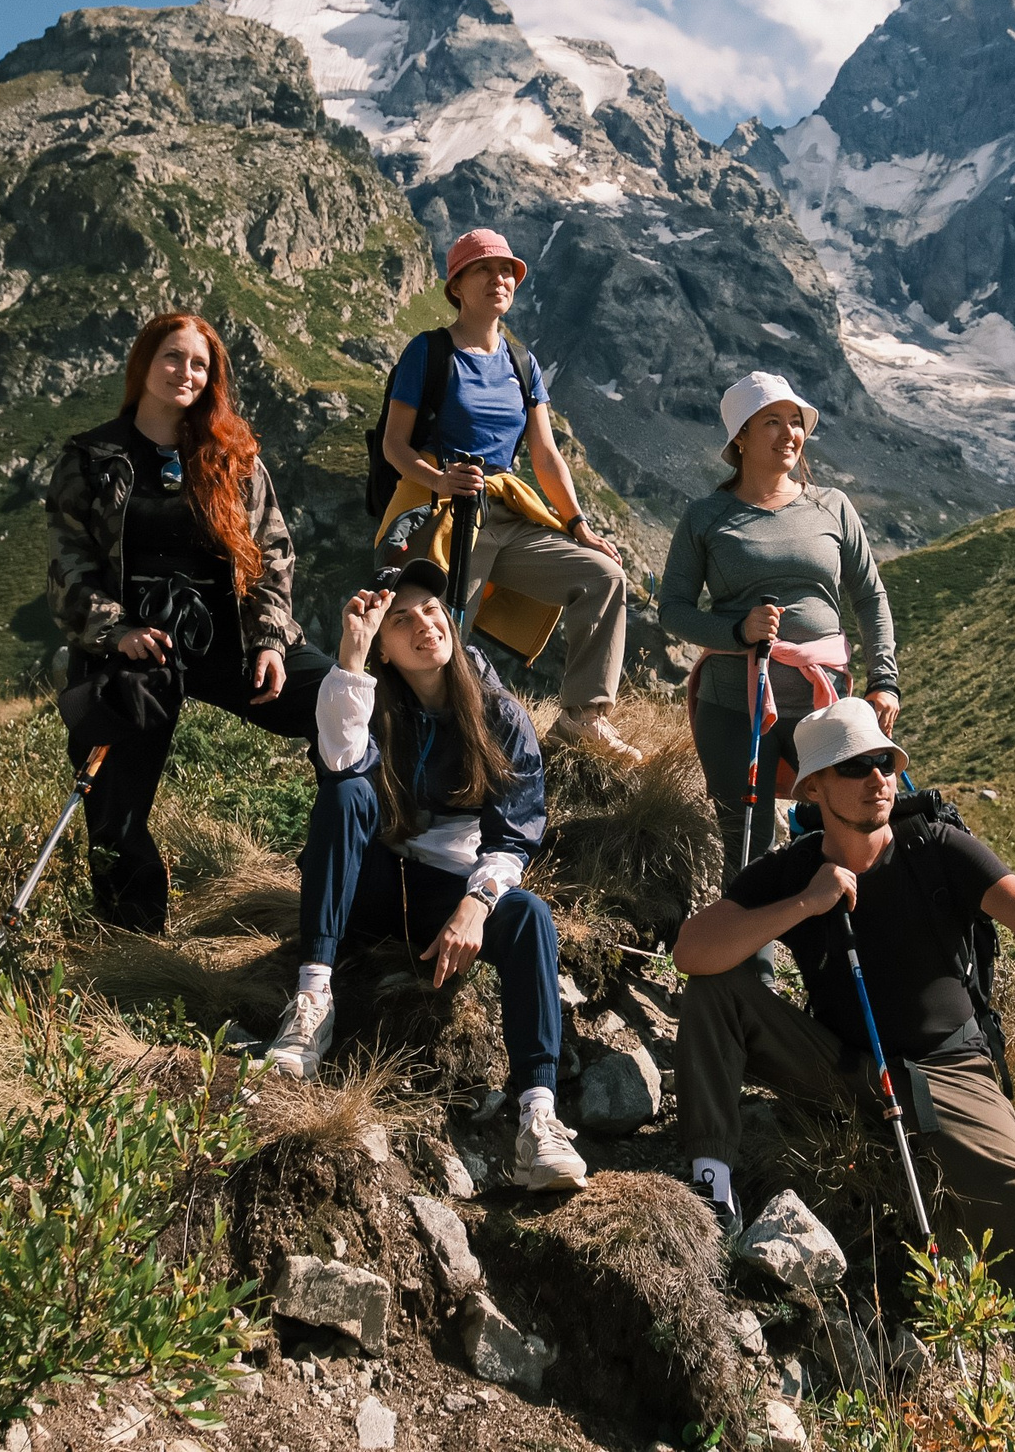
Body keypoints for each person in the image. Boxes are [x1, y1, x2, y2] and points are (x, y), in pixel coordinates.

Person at [670, 698, 1015, 1416]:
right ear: (815, 787)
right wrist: (806, 904)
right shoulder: (792, 871)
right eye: (856, 766)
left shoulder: (935, 847)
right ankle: (711, 1186)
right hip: (846, 1063)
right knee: (715, 993)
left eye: (885, 761)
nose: (879, 777)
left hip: (952, 1069)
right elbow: (694, 951)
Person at [265, 560, 588, 1193]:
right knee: (346, 794)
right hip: (375, 882)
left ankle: (537, 1119)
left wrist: (476, 904)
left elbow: (513, 836)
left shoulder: (498, 714)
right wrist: (351, 661)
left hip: (446, 891)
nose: (423, 625)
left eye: (431, 610)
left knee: (529, 915)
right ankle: (312, 1002)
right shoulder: (373, 696)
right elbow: (338, 763)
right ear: (384, 644)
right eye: (401, 618)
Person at [45, 312, 334, 934]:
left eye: (200, 364)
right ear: (144, 365)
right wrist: (115, 630)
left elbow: (272, 556)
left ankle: (338, 876)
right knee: (114, 808)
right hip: (134, 651)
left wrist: (270, 641)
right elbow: (69, 565)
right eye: (173, 358)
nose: (186, 372)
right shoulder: (92, 458)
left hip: (225, 639)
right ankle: (136, 945)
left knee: (342, 705)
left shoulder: (233, 458)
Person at [379, 229, 639, 764]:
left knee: (603, 576)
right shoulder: (427, 352)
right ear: (457, 285)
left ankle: (581, 718)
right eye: (485, 270)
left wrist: (577, 525)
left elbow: (544, 455)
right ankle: (410, 740)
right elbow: (394, 446)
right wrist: (439, 481)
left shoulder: (523, 364)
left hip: (506, 509)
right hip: (443, 511)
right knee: (439, 629)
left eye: (507, 272)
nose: (500, 279)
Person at [660, 372, 897, 871]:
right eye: (772, 421)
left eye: (796, 422)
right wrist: (737, 632)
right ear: (740, 437)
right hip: (731, 705)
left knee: (849, 841)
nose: (790, 433)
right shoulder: (706, 515)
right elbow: (673, 609)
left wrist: (885, 681)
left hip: (824, 704)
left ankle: (841, 945)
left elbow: (870, 596)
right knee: (748, 850)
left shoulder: (833, 505)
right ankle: (749, 948)